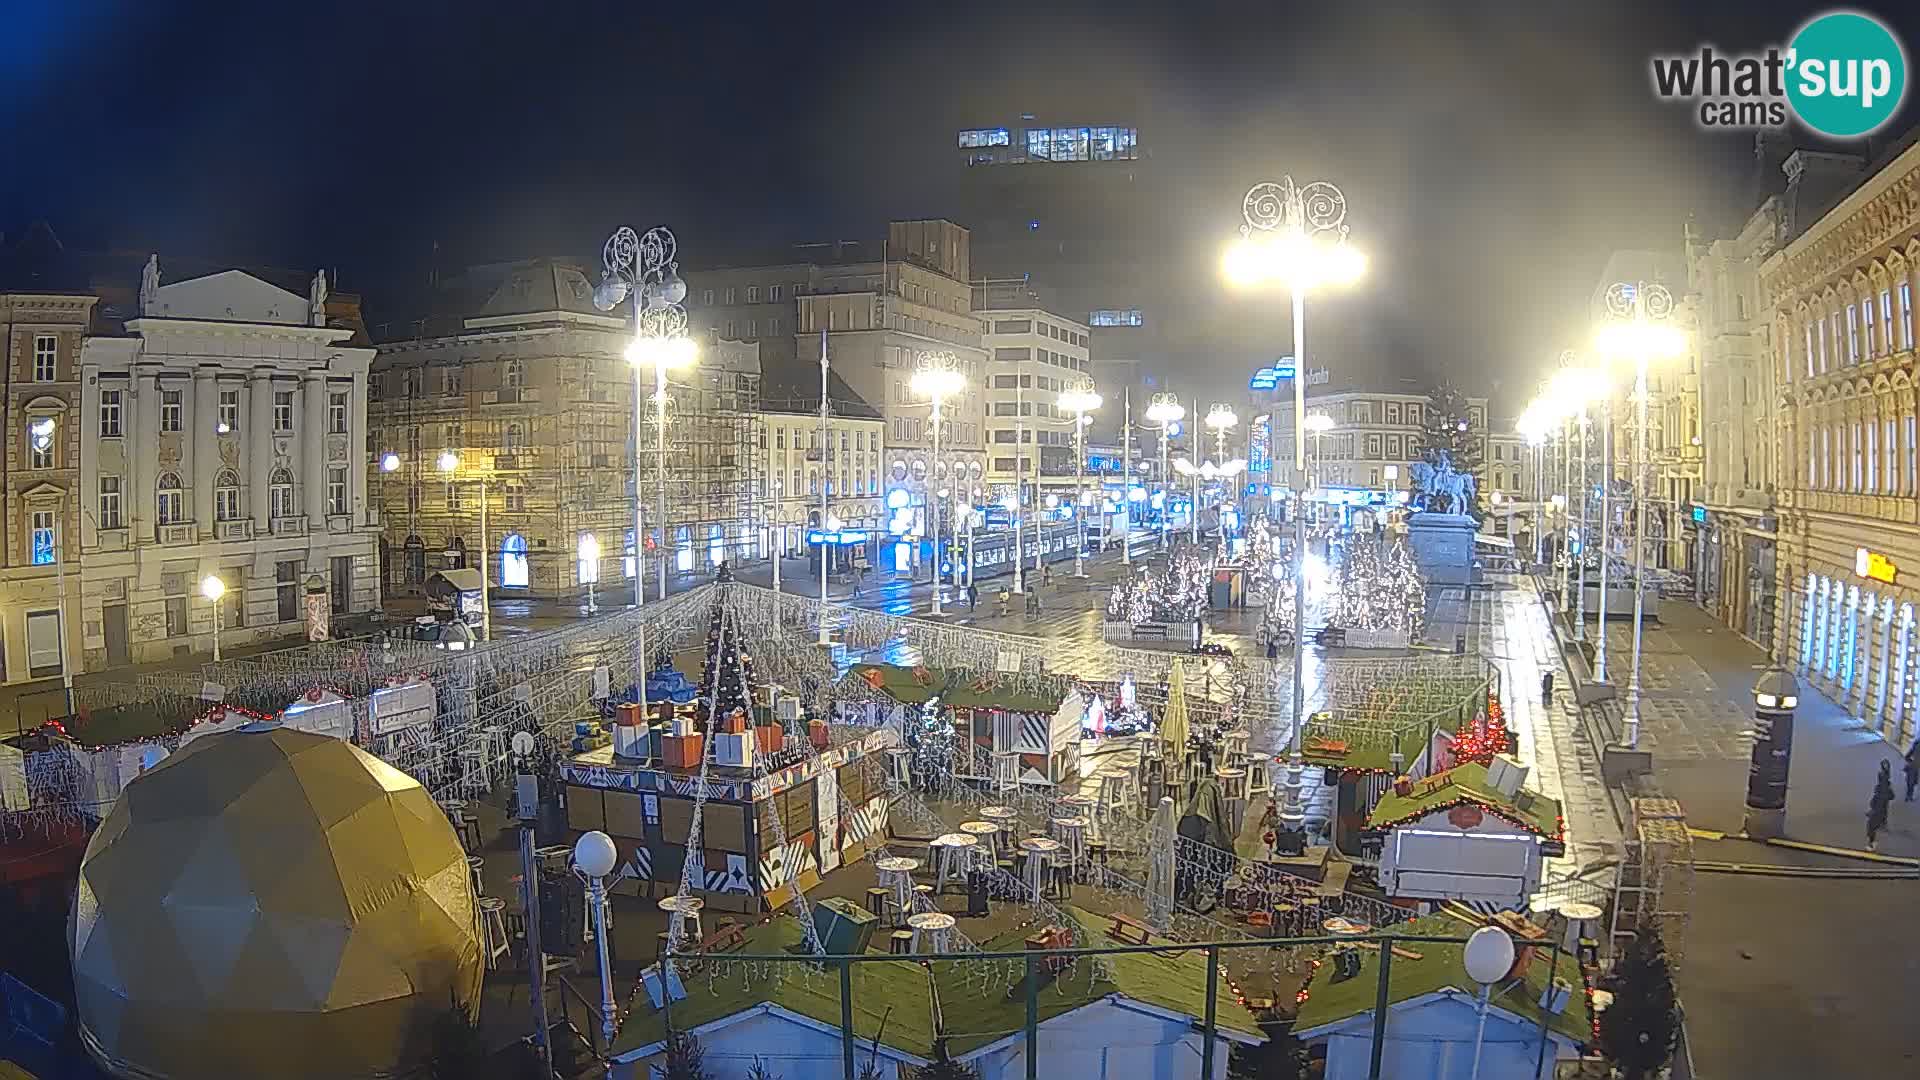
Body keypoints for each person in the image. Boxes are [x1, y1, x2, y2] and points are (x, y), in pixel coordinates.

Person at [1867, 759, 1895, 851]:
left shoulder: (1886, 775)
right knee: (1882, 810)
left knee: (1882, 811)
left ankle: (1882, 823)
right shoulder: (1882, 775)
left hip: (1883, 798)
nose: (1885, 766)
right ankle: (1882, 823)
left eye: (1886, 764)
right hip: (1882, 797)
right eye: (1884, 764)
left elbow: (1888, 785)